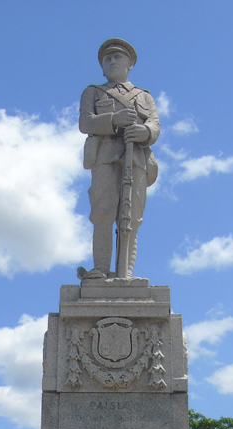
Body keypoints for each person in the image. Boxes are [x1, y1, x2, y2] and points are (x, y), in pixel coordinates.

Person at [79, 38, 160, 279]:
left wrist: (145, 132)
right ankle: (101, 270)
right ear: (102, 67)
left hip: (136, 159)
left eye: (117, 57)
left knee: (131, 218)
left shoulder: (144, 96)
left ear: (130, 63)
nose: (112, 61)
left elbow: (155, 125)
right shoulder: (93, 92)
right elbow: (85, 123)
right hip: (104, 157)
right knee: (102, 213)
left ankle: (125, 274)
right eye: (107, 59)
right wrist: (114, 120)